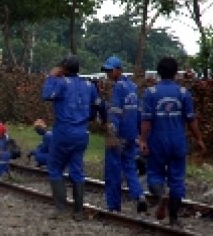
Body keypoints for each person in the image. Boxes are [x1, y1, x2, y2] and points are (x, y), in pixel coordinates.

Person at [140, 57, 206, 226]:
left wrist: (142, 140)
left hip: (158, 140)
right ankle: (174, 218)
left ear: (159, 73)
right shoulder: (184, 93)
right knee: (177, 179)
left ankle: (162, 197)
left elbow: (147, 121)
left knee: (154, 174)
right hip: (178, 140)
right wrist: (199, 139)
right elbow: (191, 120)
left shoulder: (151, 93)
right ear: (176, 73)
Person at [41, 55, 100, 220]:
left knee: (55, 168)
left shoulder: (61, 82)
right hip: (82, 132)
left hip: (63, 131)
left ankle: (60, 209)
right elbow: (97, 105)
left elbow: (46, 95)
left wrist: (52, 76)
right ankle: (78, 211)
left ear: (64, 69)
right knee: (77, 170)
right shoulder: (89, 85)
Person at [101, 56, 148, 213]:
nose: (108, 74)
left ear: (118, 70)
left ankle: (114, 206)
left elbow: (115, 113)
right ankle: (139, 195)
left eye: (110, 70)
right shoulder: (133, 87)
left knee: (113, 170)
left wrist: (111, 135)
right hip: (131, 135)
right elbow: (138, 113)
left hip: (119, 135)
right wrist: (140, 136)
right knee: (129, 167)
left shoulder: (118, 88)